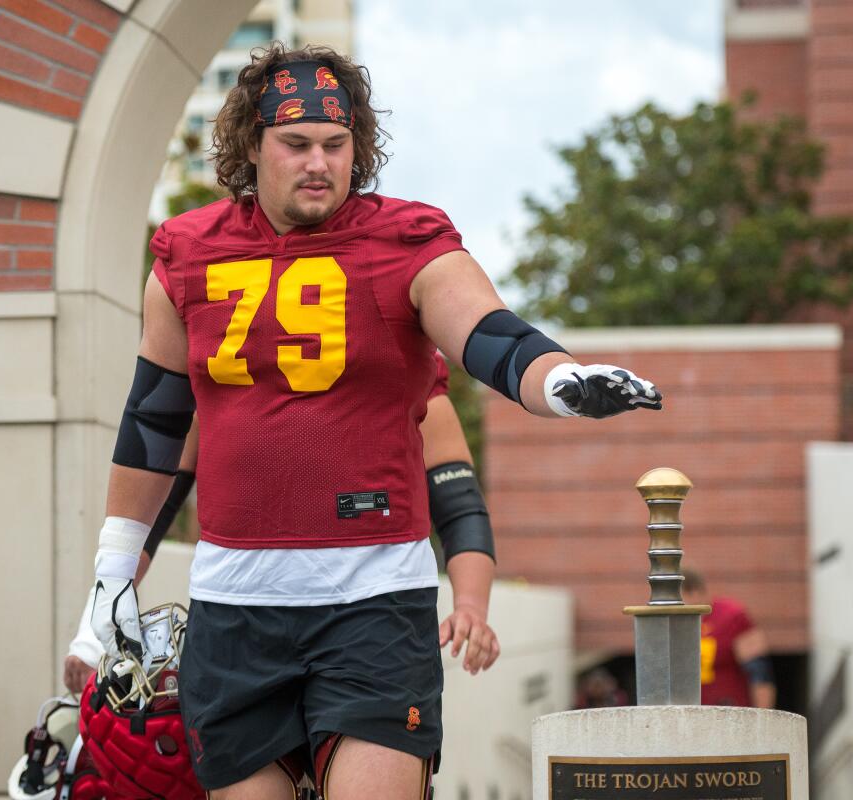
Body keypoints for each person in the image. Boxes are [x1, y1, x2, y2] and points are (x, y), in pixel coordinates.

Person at [86, 43, 662, 799]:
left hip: (372, 603)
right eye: (295, 145)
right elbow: (156, 426)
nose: (319, 162)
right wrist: (110, 577)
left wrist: (560, 381)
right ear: (251, 148)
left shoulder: (407, 240)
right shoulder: (187, 255)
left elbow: (491, 334)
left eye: (336, 144)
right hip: (234, 607)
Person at [63, 354, 498, 694]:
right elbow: (149, 516)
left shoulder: (401, 371)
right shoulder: (222, 375)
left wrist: (472, 608)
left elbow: (459, 506)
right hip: (243, 625)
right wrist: (92, 633)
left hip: (369, 622)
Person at [681, 568, 776, 709]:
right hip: (687, 714)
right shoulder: (675, 623)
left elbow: (759, 672)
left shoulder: (731, 615)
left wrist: (763, 718)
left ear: (693, 592)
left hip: (728, 712)